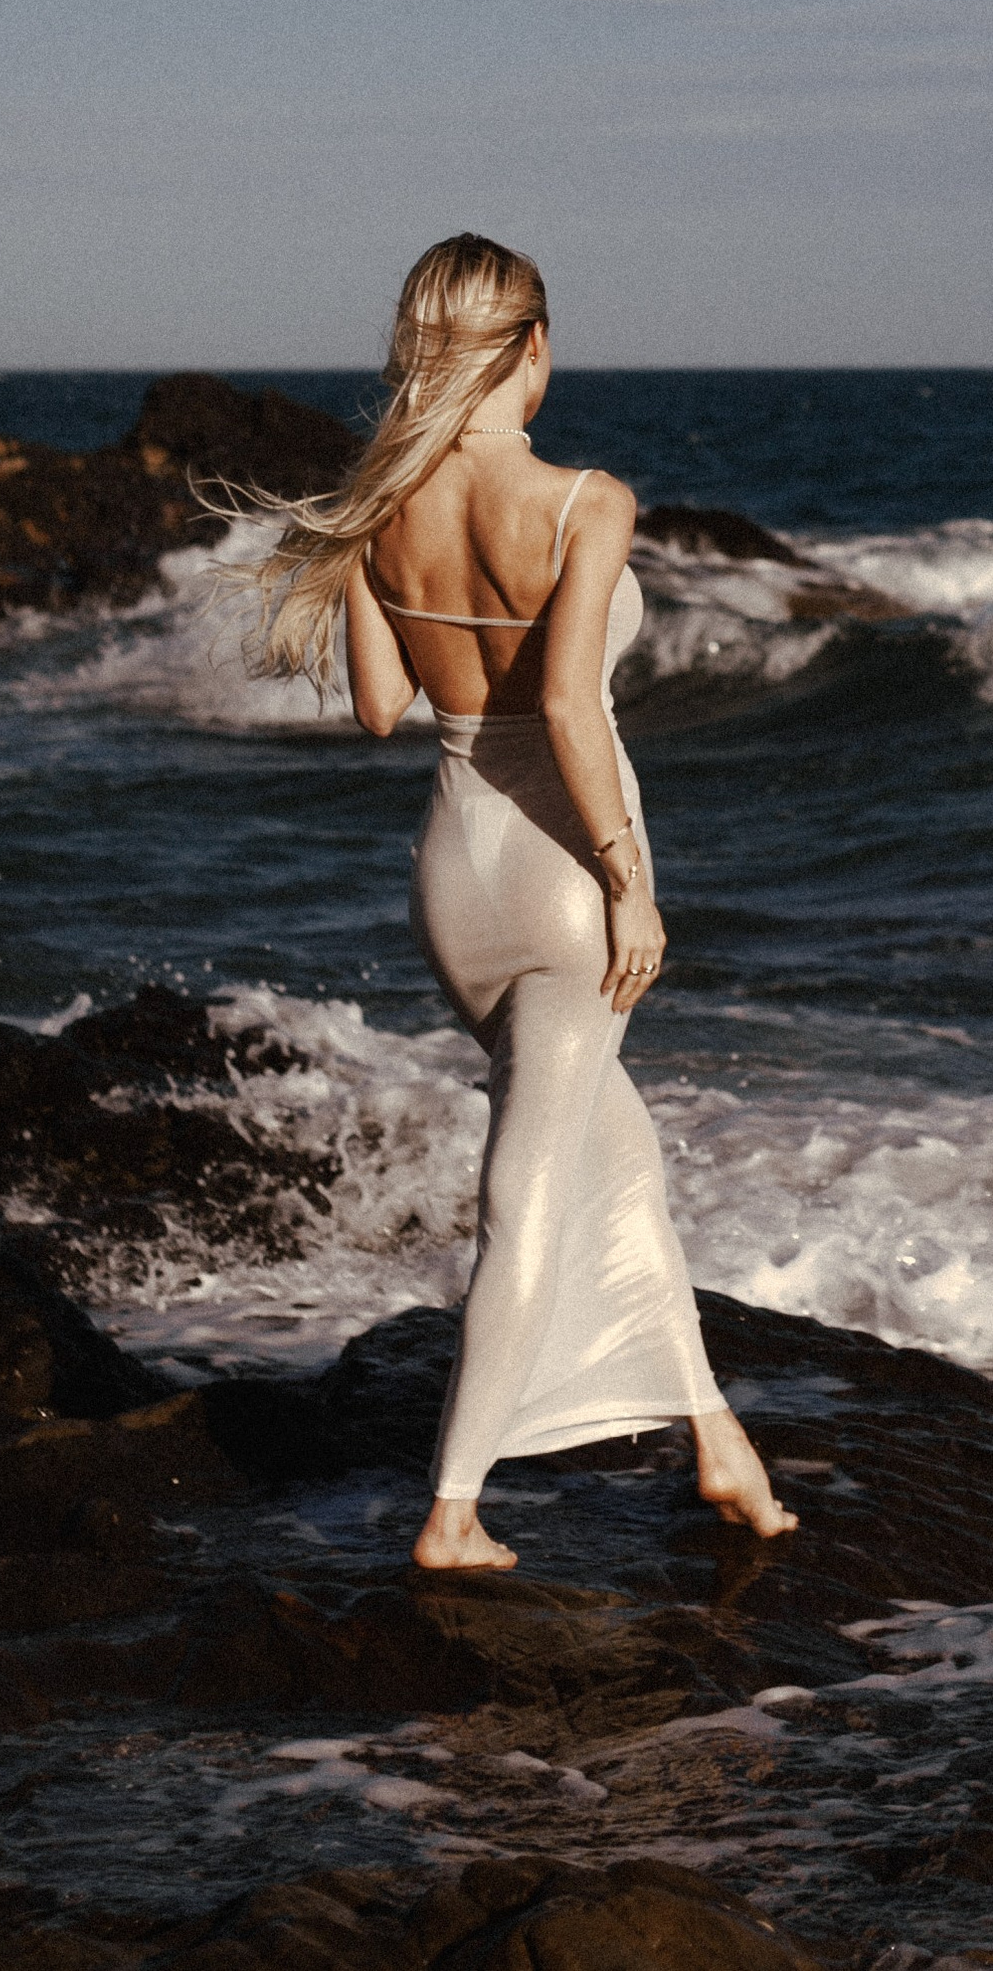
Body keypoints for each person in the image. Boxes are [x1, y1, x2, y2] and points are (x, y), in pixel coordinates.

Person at [240, 231, 796, 1573]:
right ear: (534, 346)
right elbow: (565, 705)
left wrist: (368, 558)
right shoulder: (584, 501)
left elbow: (383, 710)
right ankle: (454, 1509)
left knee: (619, 1160)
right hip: (560, 882)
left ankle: (718, 1442)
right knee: (528, 1189)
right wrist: (627, 881)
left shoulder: (383, 504)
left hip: (452, 878)